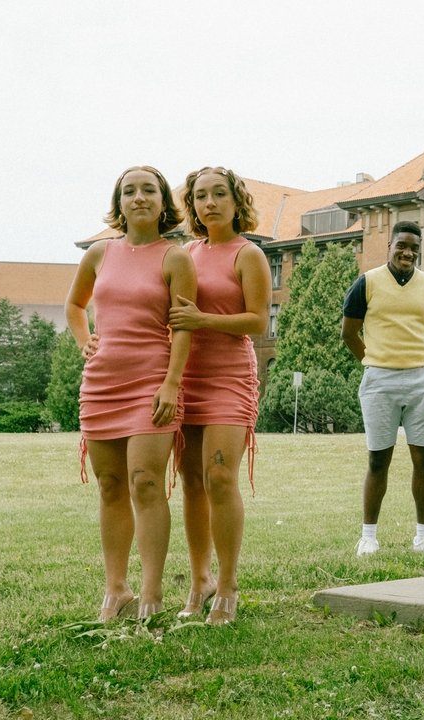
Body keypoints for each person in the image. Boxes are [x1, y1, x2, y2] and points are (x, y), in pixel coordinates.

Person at [65, 166, 196, 621]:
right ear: (119, 203)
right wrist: (85, 341)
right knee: (109, 485)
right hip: (101, 384)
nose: (139, 197)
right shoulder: (100, 254)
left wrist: (172, 383)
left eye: (148, 190)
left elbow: (183, 328)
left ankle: (151, 593)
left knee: (145, 482)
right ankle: (115, 590)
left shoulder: (176, 257)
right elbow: (75, 305)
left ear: (163, 203)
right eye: (129, 191)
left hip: (152, 384)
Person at [167, 167, 271, 625]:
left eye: (218, 195)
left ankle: (228, 584)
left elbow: (257, 322)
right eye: (200, 196)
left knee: (220, 478)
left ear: (235, 201)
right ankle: (200, 579)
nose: (209, 203)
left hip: (230, 376)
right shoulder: (186, 253)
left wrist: (203, 321)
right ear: (192, 205)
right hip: (187, 375)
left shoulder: (248, 254)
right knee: (191, 482)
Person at [341, 220, 424, 556]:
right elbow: (349, 333)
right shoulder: (367, 283)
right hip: (379, 381)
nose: (408, 252)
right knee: (378, 460)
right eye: (401, 245)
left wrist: (416, 361)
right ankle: (369, 537)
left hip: (421, 380)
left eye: (414, 248)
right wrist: (374, 359)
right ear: (389, 246)